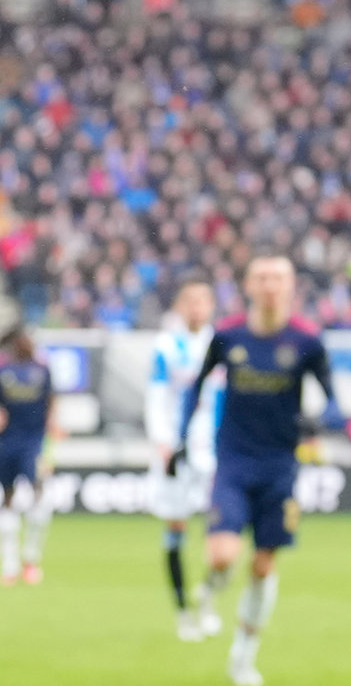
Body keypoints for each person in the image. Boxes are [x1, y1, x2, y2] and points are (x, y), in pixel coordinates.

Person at [176, 255, 335, 686]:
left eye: (277, 278)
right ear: (247, 285)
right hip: (232, 462)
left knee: (263, 566)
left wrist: (317, 422)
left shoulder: (307, 341)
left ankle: (242, 658)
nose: (269, 285)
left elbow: (332, 399)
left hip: (280, 467)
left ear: (290, 286)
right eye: (262, 278)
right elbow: (195, 387)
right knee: (222, 555)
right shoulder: (227, 336)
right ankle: (210, 589)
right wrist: (180, 437)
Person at [148, 275, 225, 641]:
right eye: (189, 301)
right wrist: (162, 440)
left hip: (216, 449)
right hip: (178, 448)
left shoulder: (223, 343)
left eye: (202, 301)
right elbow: (157, 394)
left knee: (223, 530)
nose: (196, 308)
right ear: (180, 306)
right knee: (176, 528)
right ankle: (182, 613)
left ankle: (208, 596)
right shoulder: (166, 345)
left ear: (211, 306)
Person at [0, 327, 59, 586]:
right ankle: (9, 564)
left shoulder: (42, 370)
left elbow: (51, 399)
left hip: (34, 442)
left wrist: (54, 425)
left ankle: (31, 558)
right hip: (7, 441)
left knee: (38, 493)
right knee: (7, 497)